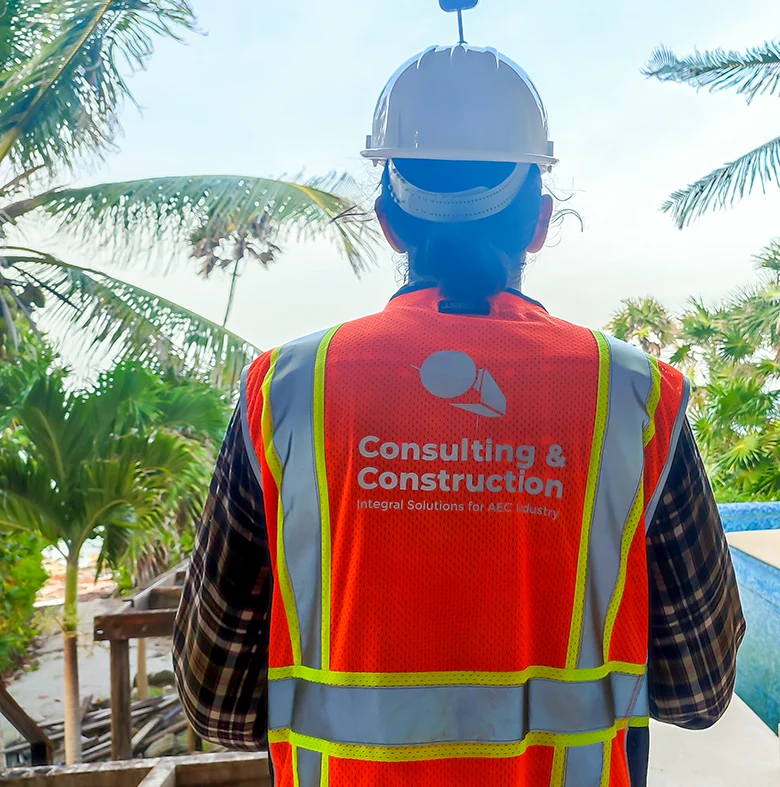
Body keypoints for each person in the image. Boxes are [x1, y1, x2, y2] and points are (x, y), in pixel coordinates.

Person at [174, 44, 745, 787]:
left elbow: (214, 703)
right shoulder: (635, 396)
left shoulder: (284, 390)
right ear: (539, 222)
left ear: (387, 221)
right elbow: (700, 690)